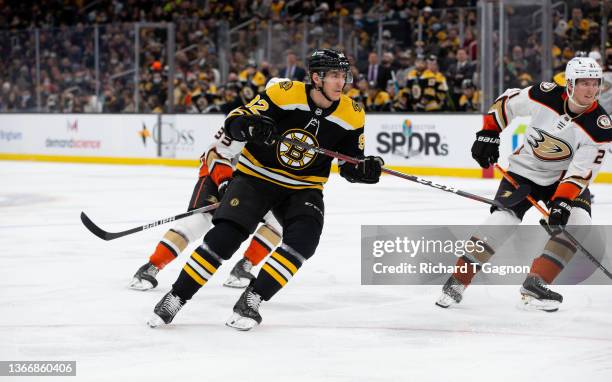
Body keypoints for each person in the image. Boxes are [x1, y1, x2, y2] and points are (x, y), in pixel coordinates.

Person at [148, 49, 383, 330]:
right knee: (225, 237)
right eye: (334, 75)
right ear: (316, 78)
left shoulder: (353, 113)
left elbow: (348, 164)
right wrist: (250, 127)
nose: (341, 82)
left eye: (343, 75)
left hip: (303, 188)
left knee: (304, 242)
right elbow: (235, 122)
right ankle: (175, 297)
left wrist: (363, 170)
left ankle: (252, 299)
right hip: (256, 177)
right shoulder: (284, 93)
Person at [436, 57, 610, 312]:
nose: (591, 89)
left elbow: (581, 172)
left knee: (578, 224)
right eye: (584, 83)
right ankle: (457, 281)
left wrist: (562, 201)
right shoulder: (545, 94)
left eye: (595, 83)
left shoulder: (600, 127)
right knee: (502, 221)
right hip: (523, 172)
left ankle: (535, 283)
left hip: (562, 179)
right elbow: (507, 103)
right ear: (570, 84)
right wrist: (489, 132)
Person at [130, 78, 290, 291]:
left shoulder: (293, 126)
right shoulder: (247, 119)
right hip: (218, 175)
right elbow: (215, 153)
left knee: (279, 221)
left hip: (255, 182)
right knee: (197, 223)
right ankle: (151, 267)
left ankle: (245, 266)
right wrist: (225, 183)